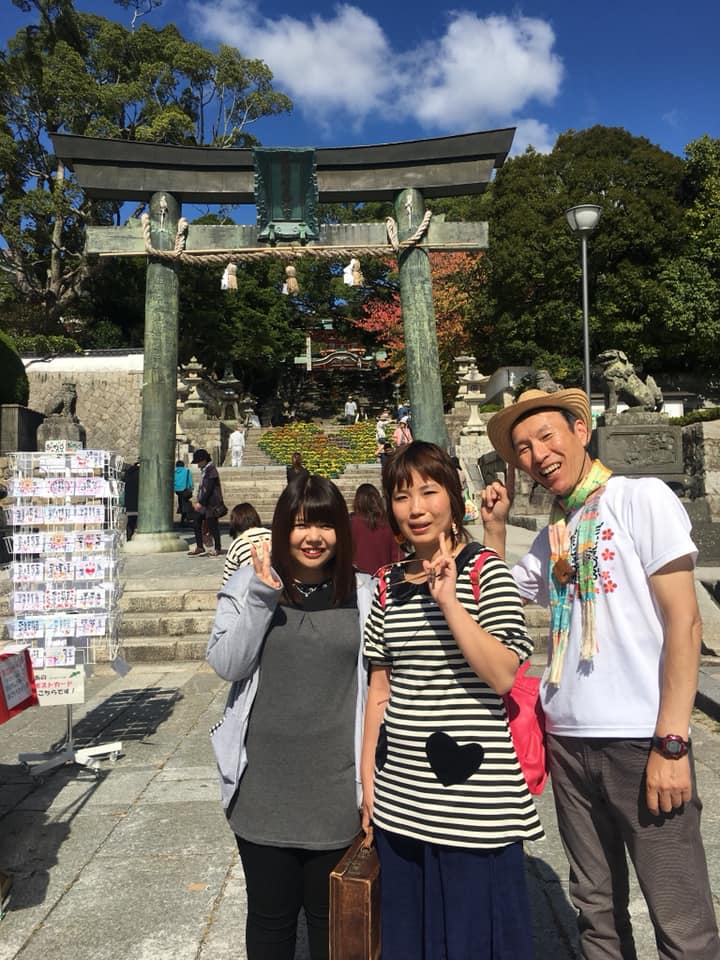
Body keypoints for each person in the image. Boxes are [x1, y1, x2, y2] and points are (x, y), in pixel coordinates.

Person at [482, 388, 720, 960]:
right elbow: (498, 599)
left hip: (641, 738)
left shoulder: (641, 498)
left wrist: (671, 741)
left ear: (580, 432)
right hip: (567, 740)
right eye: (523, 448)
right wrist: (494, 530)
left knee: (681, 922)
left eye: (546, 436)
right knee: (596, 915)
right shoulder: (555, 533)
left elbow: (685, 623)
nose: (537, 455)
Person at [361, 441, 543, 959]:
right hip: (401, 796)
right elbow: (379, 691)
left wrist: (449, 602)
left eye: (428, 492)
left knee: (475, 942)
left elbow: (503, 675)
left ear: (453, 497)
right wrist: (368, 785)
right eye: (402, 496)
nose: (416, 508)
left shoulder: (486, 571)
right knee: (408, 941)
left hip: (475, 805)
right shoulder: (386, 584)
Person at [206, 474, 375, 960]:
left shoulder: (364, 592)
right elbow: (228, 664)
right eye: (300, 525)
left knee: (330, 920)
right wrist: (262, 596)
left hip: (336, 789)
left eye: (325, 525)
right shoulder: (248, 583)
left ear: (342, 530)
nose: (313, 537)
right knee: (270, 919)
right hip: (263, 786)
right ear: (282, 529)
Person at [350, 483, 402, 575]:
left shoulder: (352, 523)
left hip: (359, 577)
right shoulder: (387, 523)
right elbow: (396, 555)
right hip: (384, 576)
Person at [221, 502, 271, 585]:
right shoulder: (272, 535)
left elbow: (228, 581)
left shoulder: (237, 544)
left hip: (250, 589)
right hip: (276, 587)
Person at [188, 449, 225, 557]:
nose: (198, 465)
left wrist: (201, 503)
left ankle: (217, 548)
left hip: (212, 503)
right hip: (205, 503)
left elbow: (210, 488)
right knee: (196, 521)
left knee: (213, 525)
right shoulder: (205, 470)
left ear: (204, 460)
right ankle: (200, 546)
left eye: (199, 462)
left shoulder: (211, 469)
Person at [123, 461, 140, 541]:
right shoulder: (142, 474)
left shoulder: (128, 473)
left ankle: (129, 537)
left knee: (130, 521)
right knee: (139, 522)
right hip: (139, 501)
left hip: (129, 501)